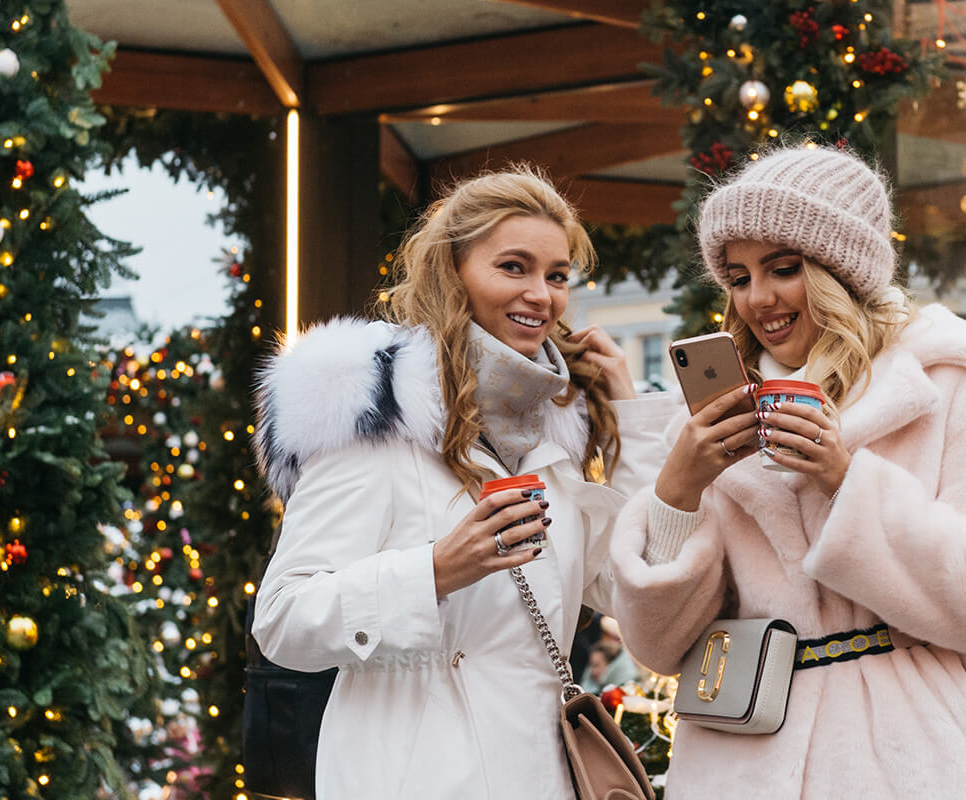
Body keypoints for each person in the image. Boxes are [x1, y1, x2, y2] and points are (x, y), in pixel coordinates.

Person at [251, 165, 674, 798]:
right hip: (414, 776)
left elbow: (628, 585)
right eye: (513, 267)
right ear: (453, 273)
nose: (542, 294)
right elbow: (282, 619)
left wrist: (630, 412)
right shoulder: (377, 419)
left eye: (557, 275)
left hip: (542, 775)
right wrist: (437, 571)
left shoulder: (551, 433)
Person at [609, 145, 966, 797]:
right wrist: (678, 489)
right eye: (739, 277)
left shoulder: (942, 383)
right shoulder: (712, 421)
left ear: (840, 270)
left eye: (782, 268)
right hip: (742, 758)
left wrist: (845, 479)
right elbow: (656, 647)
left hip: (909, 759)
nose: (758, 299)